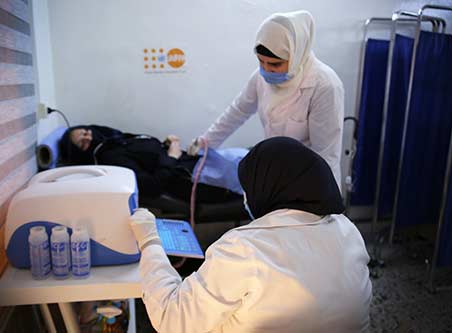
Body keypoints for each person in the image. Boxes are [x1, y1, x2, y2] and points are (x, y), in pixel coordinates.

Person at [129, 137, 372, 332]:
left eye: (248, 187)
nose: (246, 196)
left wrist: (150, 242)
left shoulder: (244, 248)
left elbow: (173, 320)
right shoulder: (347, 229)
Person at [188, 11, 344, 187]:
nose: (266, 69)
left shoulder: (324, 85)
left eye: (275, 64)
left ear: (296, 54)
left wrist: (319, 199)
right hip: (276, 174)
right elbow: (238, 111)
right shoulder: (261, 77)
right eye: (261, 61)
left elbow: (325, 154)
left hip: (310, 182)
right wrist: (205, 143)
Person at [58, 125, 240, 202]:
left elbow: (148, 155)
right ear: (80, 153)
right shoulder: (111, 160)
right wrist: (171, 157)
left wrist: (166, 143)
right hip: (188, 178)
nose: (88, 137)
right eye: (82, 142)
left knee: (243, 157)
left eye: (85, 132)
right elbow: (152, 185)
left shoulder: (115, 141)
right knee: (248, 175)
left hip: (191, 161)